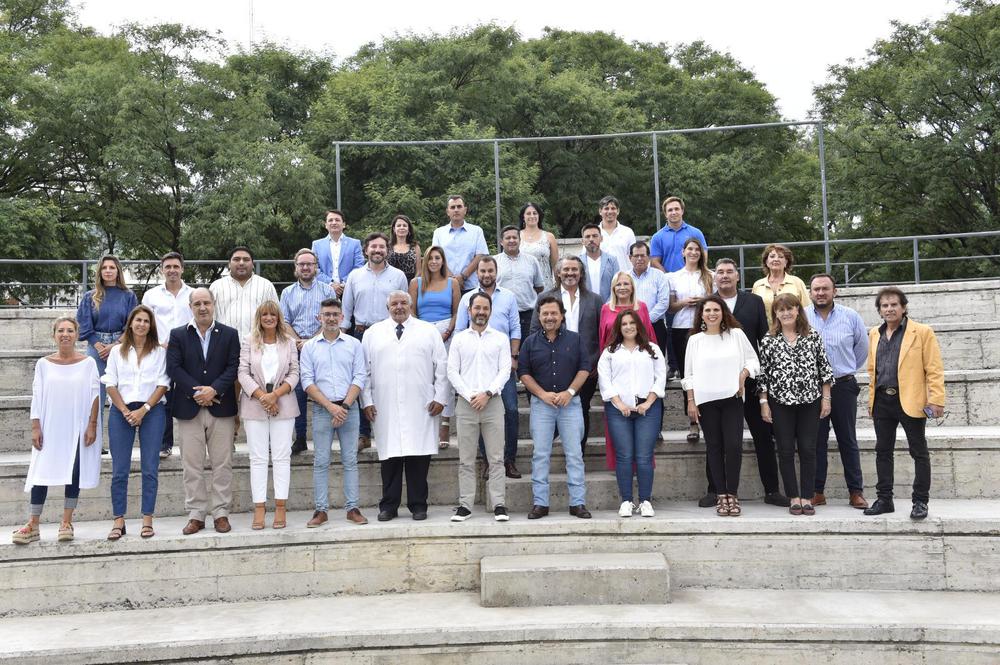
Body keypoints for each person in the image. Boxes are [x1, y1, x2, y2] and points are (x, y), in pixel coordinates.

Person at [702, 259, 787, 508]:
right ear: (714, 277)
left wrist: (763, 379)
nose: (725, 276)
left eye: (730, 272)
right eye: (720, 272)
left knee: (763, 435)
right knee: (716, 440)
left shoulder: (753, 301)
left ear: (738, 276)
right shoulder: (708, 304)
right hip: (716, 386)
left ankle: (772, 490)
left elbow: (763, 339)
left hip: (749, 381)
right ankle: (715, 490)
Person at [362, 291, 450, 521]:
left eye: (403, 303)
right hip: (385, 404)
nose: (399, 307)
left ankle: (418, 505)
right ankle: (388, 506)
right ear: (387, 307)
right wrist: (367, 400)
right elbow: (364, 371)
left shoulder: (428, 331)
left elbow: (442, 367)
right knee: (390, 459)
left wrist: (441, 397)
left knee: (418, 458)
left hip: (422, 404)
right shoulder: (373, 333)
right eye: (394, 303)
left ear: (411, 306)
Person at [12, 317, 101, 545]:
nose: (65, 334)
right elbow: (37, 395)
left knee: (74, 469)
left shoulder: (88, 363)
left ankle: (66, 522)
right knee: (41, 470)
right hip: (49, 425)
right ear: (54, 335)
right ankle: (33, 524)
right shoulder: (43, 364)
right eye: (60, 330)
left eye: (70, 330)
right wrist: (35, 426)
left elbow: (95, 395)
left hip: (77, 426)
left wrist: (92, 425)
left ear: (77, 335)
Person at [864, 287, 945, 521]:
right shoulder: (874, 333)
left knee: (919, 452)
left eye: (894, 305)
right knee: (883, 451)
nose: (889, 309)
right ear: (879, 310)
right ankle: (884, 499)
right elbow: (872, 370)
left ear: (903, 307)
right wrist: (871, 400)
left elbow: (934, 369)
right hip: (882, 400)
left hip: (910, 399)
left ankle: (920, 501)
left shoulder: (922, 332)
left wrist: (936, 400)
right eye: (884, 305)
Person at [167, 288, 241, 535]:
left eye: (206, 303)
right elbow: (174, 368)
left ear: (213, 304)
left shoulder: (229, 334)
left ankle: (221, 513)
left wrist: (214, 390)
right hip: (189, 408)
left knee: (223, 464)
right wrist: (198, 392)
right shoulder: (178, 334)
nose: (202, 308)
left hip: (222, 407)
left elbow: (233, 367)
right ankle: (196, 514)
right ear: (190, 306)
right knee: (192, 466)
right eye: (197, 303)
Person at [683, 295, 759, 517]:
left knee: (733, 446)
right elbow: (689, 374)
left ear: (723, 312)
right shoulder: (695, 340)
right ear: (701, 315)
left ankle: (732, 494)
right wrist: (691, 401)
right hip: (705, 401)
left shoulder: (736, 335)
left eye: (716, 309)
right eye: (707, 310)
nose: (712, 314)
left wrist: (743, 375)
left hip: (732, 397)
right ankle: (721, 495)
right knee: (714, 447)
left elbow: (753, 361)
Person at [758, 294, 834, 516]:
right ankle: (793, 496)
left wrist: (826, 398)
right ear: (775, 313)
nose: (786, 313)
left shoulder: (812, 335)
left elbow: (824, 368)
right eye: (781, 310)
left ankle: (807, 496)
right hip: (780, 403)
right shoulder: (768, 339)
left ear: (798, 310)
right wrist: (764, 403)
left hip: (810, 401)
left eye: (790, 308)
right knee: (785, 450)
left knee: (808, 449)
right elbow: (763, 375)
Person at [519, 295, 592, 520]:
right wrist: (542, 394)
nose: (549, 317)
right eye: (545, 314)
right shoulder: (530, 342)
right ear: (539, 316)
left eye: (554, 313)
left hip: (570, 404)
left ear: (562, 316)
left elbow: (585, 368)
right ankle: (540, 503)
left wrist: (569, 392)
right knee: (540, 454)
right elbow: (523, 373)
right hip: (542, 405)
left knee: (574, 454)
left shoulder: (575, 339)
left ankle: (577, 503)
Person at [103, 305, 169, 540]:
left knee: (150, 468)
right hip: (121, 410)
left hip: (152, 410)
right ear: (130, 323)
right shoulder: (117, 351)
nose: (142, 324)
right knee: (119, 470)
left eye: (146, 321)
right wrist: (124, 410)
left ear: (151, 326)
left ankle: (147, 519)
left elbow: (163, 384)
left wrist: (144, 410)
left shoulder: (159, 352)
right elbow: (110, 383)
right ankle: (118, 521)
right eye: (138, 320)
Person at [301, 298, 368, 527]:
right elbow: (307, 381)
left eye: (335, 314)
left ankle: (353, 508)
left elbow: (359, 376)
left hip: (349, 409)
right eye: (326, 314)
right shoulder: (309, 347)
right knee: (321, 461)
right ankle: (321, 510)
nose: (331, 318)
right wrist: (331, 407)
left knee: (350, 460)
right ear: (319, 317)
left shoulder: (354, 344)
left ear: (342, 317)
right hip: (322, 409)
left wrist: (344, 407)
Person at [454, 257, 523, 479]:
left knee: (511, 410)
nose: (486, 274)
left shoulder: (509, 296)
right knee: (479, 409)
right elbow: (460, 330)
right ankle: (487, 459)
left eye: (490, 270)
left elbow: (515, 328)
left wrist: (513, 356)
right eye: (482, 271)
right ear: (477, 273)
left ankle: (508, 459)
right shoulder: (467, 298)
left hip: (502, 364)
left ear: (496, 271)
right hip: (475, 365)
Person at [806, 273, 869, 509]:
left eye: (825, 288)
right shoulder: (802, 316)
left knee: (848, 439)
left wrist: (843, 370)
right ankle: (817, 491)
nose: (820, 293)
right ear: (810, 292)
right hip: (812, 388)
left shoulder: (850, 316)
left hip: (843, 385)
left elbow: (861, 349)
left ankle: (856, 492)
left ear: (835, 291)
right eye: (816, 289)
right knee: (816, 441)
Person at [447, 292, 512, 522]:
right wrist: (469, 395)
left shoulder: (500, 339)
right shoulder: (459, 339)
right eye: (477, 308)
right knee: (466, 459)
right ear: (469, 310)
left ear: (490, 311)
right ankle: (465, 505)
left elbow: (505, 370)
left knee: (496, 458)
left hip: (492, 403)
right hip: (466, 404)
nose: (481, 312)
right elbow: (452, 371)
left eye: (485, 308)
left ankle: (499, 504)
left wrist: (487, 393)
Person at [341, 232, 409, 449]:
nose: (377, 250)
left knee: (390, 380)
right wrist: (343, 336)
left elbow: (404, 307)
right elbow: (346, 309)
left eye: (381, 247)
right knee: (361, 381)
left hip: (389, 333)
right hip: (361, 334)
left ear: (387, 250)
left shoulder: (398, 276)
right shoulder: (354, 276)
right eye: (373, 247)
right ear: (366, 250)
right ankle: (363, 433)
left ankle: (391, 430)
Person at [531, 257, 603, 453]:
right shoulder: (545, 297)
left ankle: (578, 454)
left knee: (583, 408)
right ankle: (548, 450)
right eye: (566, 269)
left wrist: (596, 362)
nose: (570, 273)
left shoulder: (595, 299)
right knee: (552, 408)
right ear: (558, 273)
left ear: (581, 273)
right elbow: (534, 331)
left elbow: (601, 333)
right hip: (552, 365)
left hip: (586, 368)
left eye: (574, 269)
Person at [598, 309, 666, 518]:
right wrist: (620, 404)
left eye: (632, 323)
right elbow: (605, 381)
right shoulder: (610, 352)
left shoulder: (652, 349)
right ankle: (626, 501)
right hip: (619, 410)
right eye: (624, 324)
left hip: (648, 409)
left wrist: (648, 402)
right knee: (624, 456)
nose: (628, 327)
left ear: (639, 325)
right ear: (619, 328)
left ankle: (645, 501)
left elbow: (660, 378)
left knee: (644, 456)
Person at [238, 301, 300, 530]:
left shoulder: (289, 342)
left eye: (272, 314)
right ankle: (260, 508)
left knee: (282, 457)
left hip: (283, 403)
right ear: (259, 317)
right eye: (264, 314)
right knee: (258, 458)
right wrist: (263, 397)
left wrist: (275, 396)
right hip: (255, 404)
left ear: (278, 317)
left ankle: (281, 507)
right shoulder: (248, 341)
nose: (268, 318)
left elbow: (295, 373)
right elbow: (242, 373)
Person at [77, 254, 137, 448]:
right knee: (95, 395)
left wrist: (115, 345)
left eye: (112, 267)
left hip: (121, 347)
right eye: (104, 268)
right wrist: (98, 345)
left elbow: (132, 325)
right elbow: (84, 325)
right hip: (96, 348)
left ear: (118, 271)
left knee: (122, 395)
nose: (108, 271)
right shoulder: (90, 296)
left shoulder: (128, 296)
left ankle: (119, 443)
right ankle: (95, 442)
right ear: (100, 272)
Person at [280, 248, 335, 454]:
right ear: (296, 267)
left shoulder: (327, 291)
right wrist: (298, 341)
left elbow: (331, 318)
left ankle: (326, 437)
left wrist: (311, 342)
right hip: (295, 348)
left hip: (322, 345)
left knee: (324, 390)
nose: (305, 267)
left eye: (309, 264)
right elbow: (284, 321)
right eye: (301, 264)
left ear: (316, 267)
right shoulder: (287, 293)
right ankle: (301, 437)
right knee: (297, 394)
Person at [142, 251, 193, 459]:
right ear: (162, 270)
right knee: (163, 397)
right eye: (168, 267)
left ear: (182, 269)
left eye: (176, 266)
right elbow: (144, 323)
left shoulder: (193, 294)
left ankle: (192, 444)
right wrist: (158, 344)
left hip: (188, 353)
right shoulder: (151, 295)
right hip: (160, 352)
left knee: (188, 396)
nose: (172, 270)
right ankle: (165, 444)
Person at [408, 245, 460, 448]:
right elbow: (411, 311)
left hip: (447, 333)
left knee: (445, 378)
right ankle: (423, 423)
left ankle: (444, 425)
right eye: (430, 258)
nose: (434, 261)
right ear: (425, 261)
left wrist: (448, 331)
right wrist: (422, 330)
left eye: (437, 258)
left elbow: (457, 311)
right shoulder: (416, 283)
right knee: (423, 377)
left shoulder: (452, 283)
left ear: (443, 261)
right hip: (422, 331)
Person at [668, 238, 714, 443]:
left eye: (697, 249)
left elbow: (716, 302)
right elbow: (670, 307)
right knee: (687, 375)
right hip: (681, 328)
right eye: (690, 249)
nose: (694, 252)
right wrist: (684, 302)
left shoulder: (710, 276)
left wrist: (703, 302)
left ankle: (709, 419)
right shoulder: (673, 277)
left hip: (705, 328)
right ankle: (693, 422)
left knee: (706, 373)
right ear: (683, 252)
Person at [209, 246, 278, 342]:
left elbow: (276, 317)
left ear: (253, 264)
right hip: (224, 344)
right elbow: (210, 318)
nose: (241, 263)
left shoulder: (266, 286)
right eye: (236, 259)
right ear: (229, 264)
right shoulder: (216, 286)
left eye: (246, 259)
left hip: (258, 344)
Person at [431, 194, 489, 292]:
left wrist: (463, 277)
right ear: (448, 212)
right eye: (452, 207)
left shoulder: (476, 231)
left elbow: (480, 256)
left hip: (472, 286)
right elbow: (435, 258)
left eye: (459, 206)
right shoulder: (438, 233)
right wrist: (453, 280)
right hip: (445, 286)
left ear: (465, 210)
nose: (456, 210)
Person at [495, 225, 545, 336]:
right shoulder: (494, 261)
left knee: (528, 345)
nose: (511, 240)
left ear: (520, 240)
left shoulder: (531, 261)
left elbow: (539, 287)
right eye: (508, 238)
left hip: (527, 315)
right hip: (502, 314)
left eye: (514, 237)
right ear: (501, 242)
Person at [627, 241, 670, 365]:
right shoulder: (624, 277)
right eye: (636, 256)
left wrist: (645, 320)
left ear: (649, 257)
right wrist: (634, 322)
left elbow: (663, 302)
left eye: (643, 255)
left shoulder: (659, 275)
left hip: (655, 326)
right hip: (630, 327)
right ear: (630, 258)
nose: (639, 259)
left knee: (656, 362)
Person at [751, 244, 810, 327]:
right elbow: (753, 312)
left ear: (786, 262)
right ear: (766, 262)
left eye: (781, 257)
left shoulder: (797, 282)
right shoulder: (757, 285)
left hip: (793, 330)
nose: (776, 259)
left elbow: (807, 310)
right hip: (765, 331)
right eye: (772, 256)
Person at [312, 209, 365, 298]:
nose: (334, 222)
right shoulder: (317, 244)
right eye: (330, 220)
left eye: (337, 220)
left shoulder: (355, 243)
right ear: (326, 225)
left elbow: (359, 266)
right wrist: (331, 284)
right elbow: (315, 268)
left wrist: (343, 284)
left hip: (349, 290)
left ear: (343, 224)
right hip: (324, 290)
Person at [598, 271, 656, 351]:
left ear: (632, 288)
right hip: (613, 354)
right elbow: (602, 336)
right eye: (618, 284)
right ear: (613, 289)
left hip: (639, 353)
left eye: (626, 284)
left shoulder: (642, 307)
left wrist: (654, 353)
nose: (622, 287)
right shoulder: (606, 309)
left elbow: (649, 334)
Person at [518, 202, 558, 290]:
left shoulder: (549, 237)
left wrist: (559, 288)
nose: (532, 216)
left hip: (545, 287)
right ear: (523, 217)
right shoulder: (516, 236)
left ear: (539, 216)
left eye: (535, 213)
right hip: (523, 287)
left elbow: (556, 266)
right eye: (528, 213)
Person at [579, 222, 619, 302]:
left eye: (595, 236)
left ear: (601, 238)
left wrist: (608, 305)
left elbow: (617, 285)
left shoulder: (612, 260)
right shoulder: (578, 262)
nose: (591, 239)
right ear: (582, 241)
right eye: (587, 237)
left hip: (608, 305)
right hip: (585, 306)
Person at [597, 195, 636, 273]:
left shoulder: (627, 232)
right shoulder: (593, 233)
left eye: (613, 208)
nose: (610, 211)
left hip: (624, 278)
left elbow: (634, 257)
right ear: (600, 211)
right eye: (606, 208)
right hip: (600, 278)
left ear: (618, 211)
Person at [387, 214, 421, 282]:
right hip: (390, 282)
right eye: (399, 225)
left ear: (408, 229)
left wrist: (412, 284)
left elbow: (418, 271)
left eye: (404, 225)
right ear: (394, 229)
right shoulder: (387, 246)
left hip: (410, 283)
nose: (402, 228)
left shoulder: (415, 247)